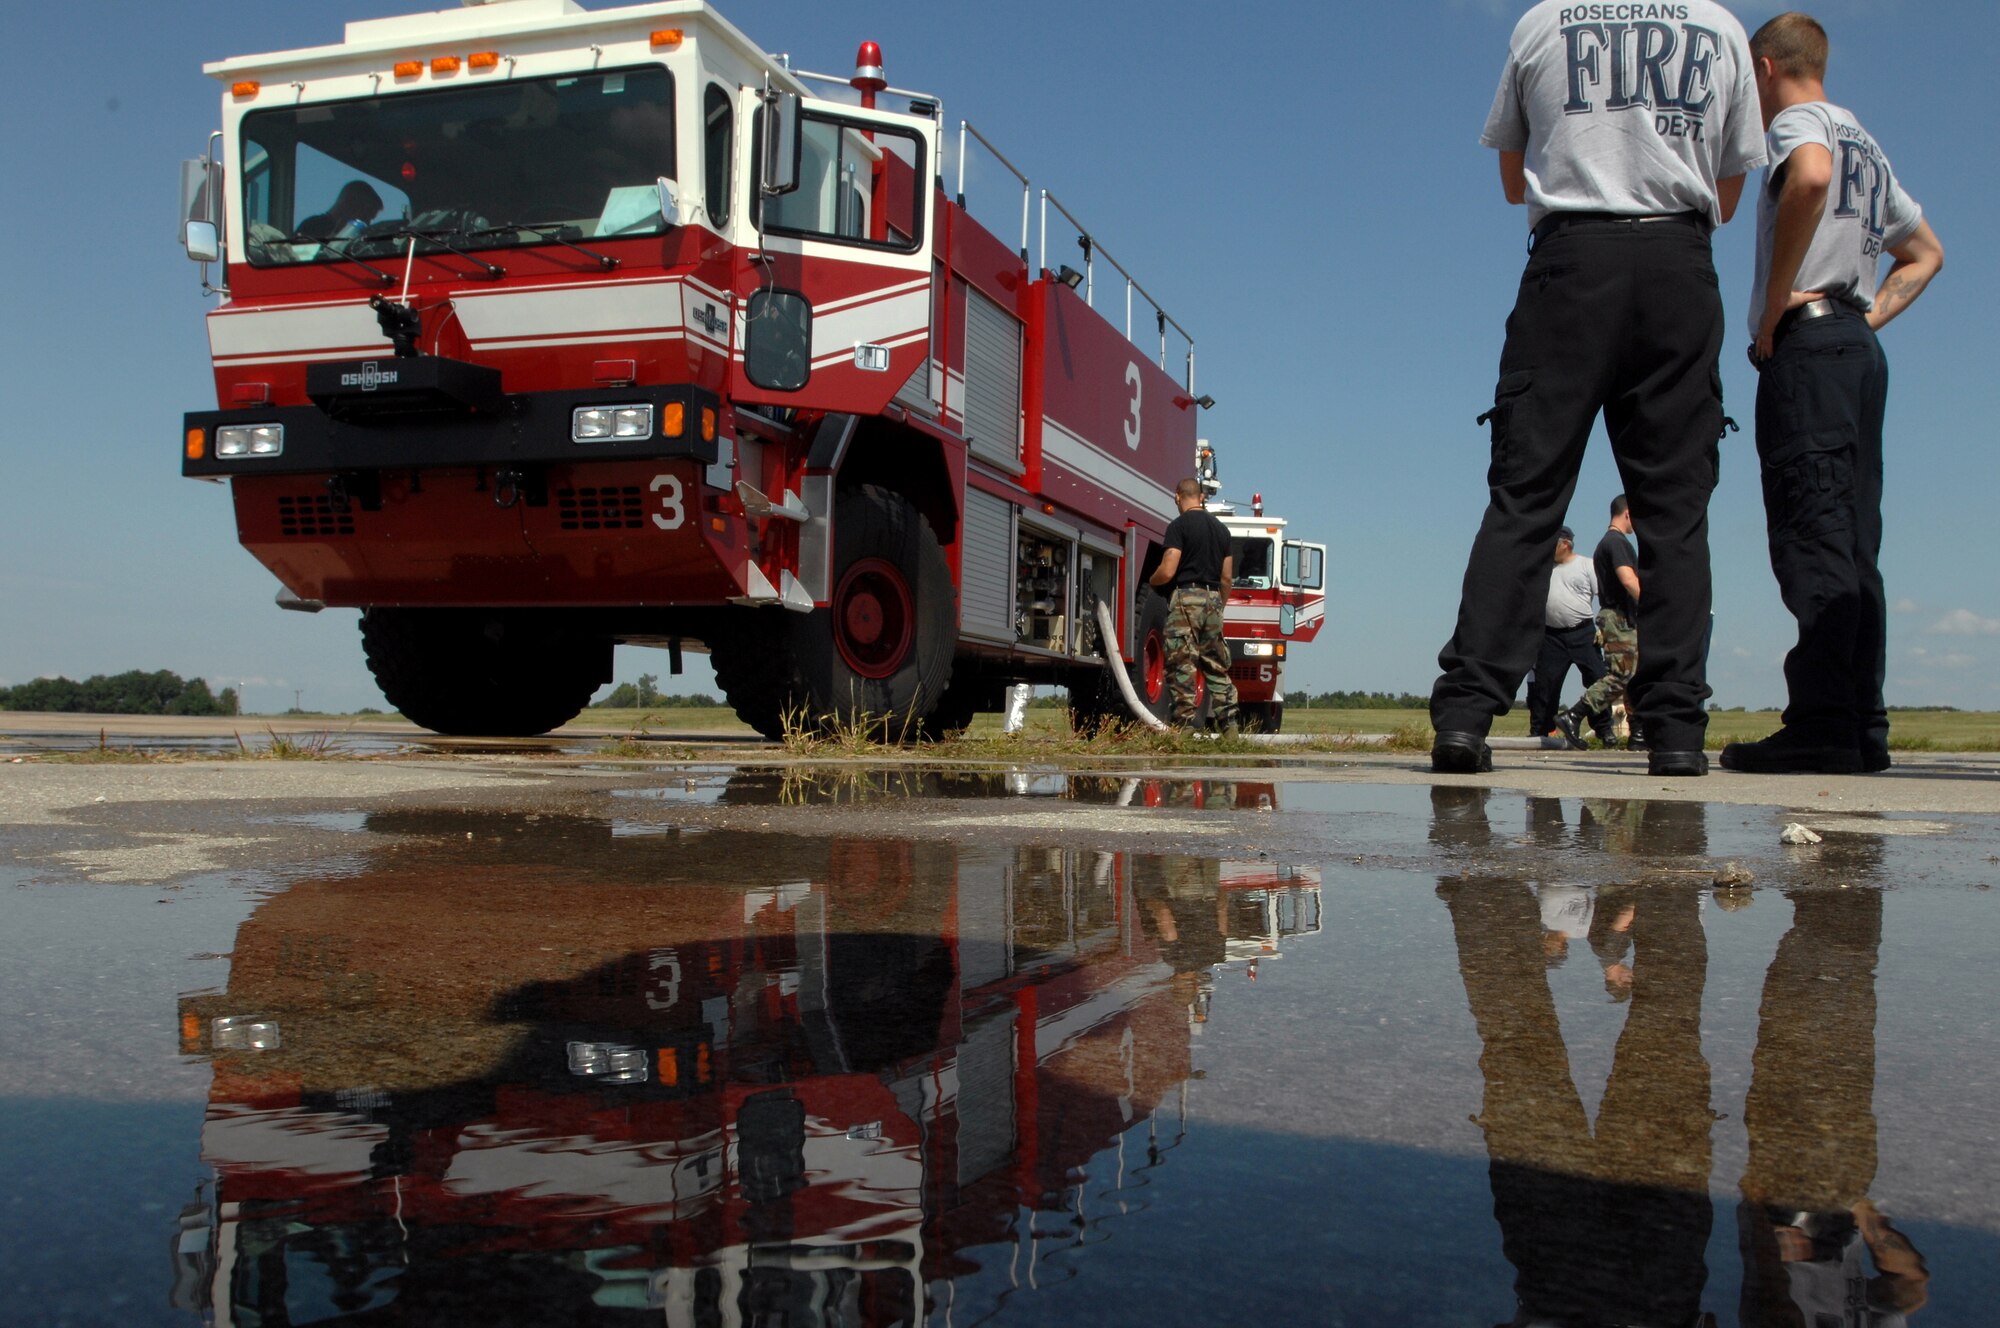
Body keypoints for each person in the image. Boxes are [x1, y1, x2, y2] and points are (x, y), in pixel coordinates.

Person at [1430, 0, 1767, 779]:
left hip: (1570, 261)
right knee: (1674, 512)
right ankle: (1676, 732)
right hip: (1680, 264)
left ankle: (1465, 718)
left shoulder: (1541, 24)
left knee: (1526, 497)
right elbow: (1729, 184)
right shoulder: (1718, 29)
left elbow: (1516, 180)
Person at [1720, 13, 1944, 776]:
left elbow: (1810, 179)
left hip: (1810, 350)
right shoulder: (1867, 141)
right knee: (1855, 541)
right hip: (1856, 345)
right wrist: (1865, 314)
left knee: (1812, 534)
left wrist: (1779, 302)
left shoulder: (1800, 124)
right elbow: (1926, 253)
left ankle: (1820, 722)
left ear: (1763, 69)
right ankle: (1861, 721)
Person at [1148, 478, 1240, 734]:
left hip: (1186, 598)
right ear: (1201, 497)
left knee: (1182, 660)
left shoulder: (1178, 527)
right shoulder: (1222, 530)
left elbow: (1168, 570)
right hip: (1213, 600)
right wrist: (1219, 604)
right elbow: (1226, 578)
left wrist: (1151, 581)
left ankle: (1186, 724)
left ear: (1177, 496)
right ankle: (1229, 725)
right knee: (1215, 662)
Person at [1556, 497, 1642, 749]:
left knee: (1635, 676)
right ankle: (1574, 715)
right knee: (1621, 675)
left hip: (1620, 617)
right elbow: (1627, 579)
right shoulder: (1616, 542)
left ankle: (1638, 734)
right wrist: (1651, 605)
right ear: (1627, 513)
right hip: (1620, 618)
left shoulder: (1610, 543)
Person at [1526, 525, 1606, 745]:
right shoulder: (1544, 569)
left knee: (1597, 678)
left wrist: (1603, 627)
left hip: (1582, 632)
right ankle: (1540, 731)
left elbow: (1604, 596)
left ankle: (1604, 730)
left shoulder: (1587, 565)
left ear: (1565, 544)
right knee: (1545, 685)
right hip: (1551, 636)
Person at [298, 180, 385, 240]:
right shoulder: (313, 226)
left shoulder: (359, 239)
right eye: (366, 216)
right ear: (348, 203)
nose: (367, 224)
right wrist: (338, 234)